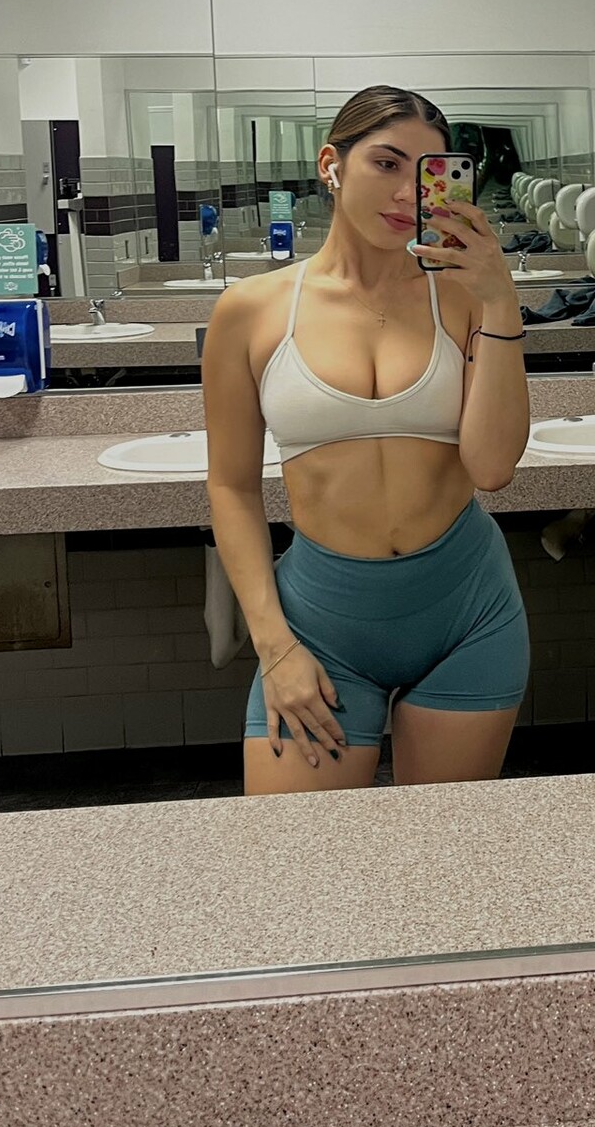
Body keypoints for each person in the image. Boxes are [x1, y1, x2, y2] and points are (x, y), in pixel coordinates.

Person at [202, 85, 531, 797]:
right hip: (322, 621)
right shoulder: (251, 311)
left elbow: (492, 466)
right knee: (297, 852)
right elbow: (230, 486)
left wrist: (501, 299)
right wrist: (273, 645)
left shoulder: (464, 297)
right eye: (385, 163)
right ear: (332, 164)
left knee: (447, 845)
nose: (406, 192)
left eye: (427, 172)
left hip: (467, 609)